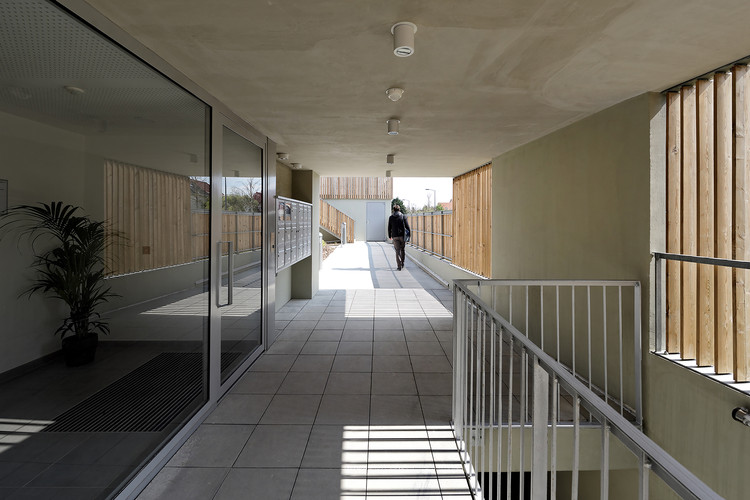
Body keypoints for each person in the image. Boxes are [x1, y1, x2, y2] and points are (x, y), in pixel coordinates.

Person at [387, 204, 411, 271]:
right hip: (402, 236)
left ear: (393, 210)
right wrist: (409, 236)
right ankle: (402, 263)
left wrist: (389, 236)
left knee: (397, 250)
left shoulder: (391, 217)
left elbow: (389, 228)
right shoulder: (403, 216)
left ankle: (399, 266)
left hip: (395, 236)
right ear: (399, 209)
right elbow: (407, 227)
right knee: (402, 249)